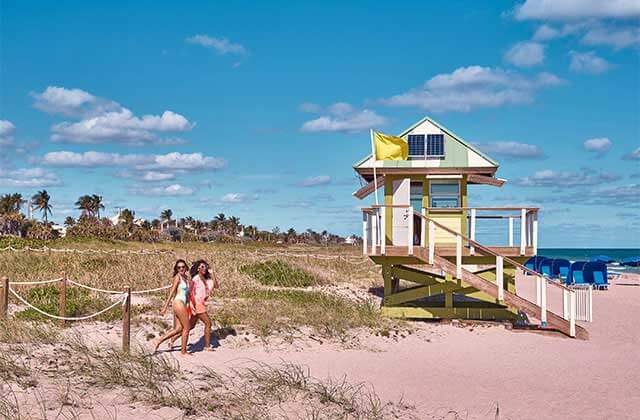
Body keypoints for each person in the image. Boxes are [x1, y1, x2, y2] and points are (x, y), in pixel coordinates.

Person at [153, 259, 192, 355]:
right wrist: (165, 307)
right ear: (176, 269)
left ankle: (158, 341)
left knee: (178, 329)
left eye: (183, 267)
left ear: (186, 267)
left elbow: (187, 295)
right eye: (179, 267)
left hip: (182, 303)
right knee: (187, 327)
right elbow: (171, 292)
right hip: (178, 302)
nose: (181, 269)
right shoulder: (177, 277)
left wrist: (189, 305)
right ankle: (183, 351)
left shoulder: (186, 278)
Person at [188, 259, 219, 351]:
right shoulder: (196, 278)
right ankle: (207, 346)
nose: (204, 268)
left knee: (189, 327)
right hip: (197, 304)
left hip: (200, 303)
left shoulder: (206, 280)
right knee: (208, 323)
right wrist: (191, 305)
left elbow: (216, 285)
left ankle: (171, 340)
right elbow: (190, 292)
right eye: (202, 266)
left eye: (205, 266)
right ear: (197, 268)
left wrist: (212, 273)